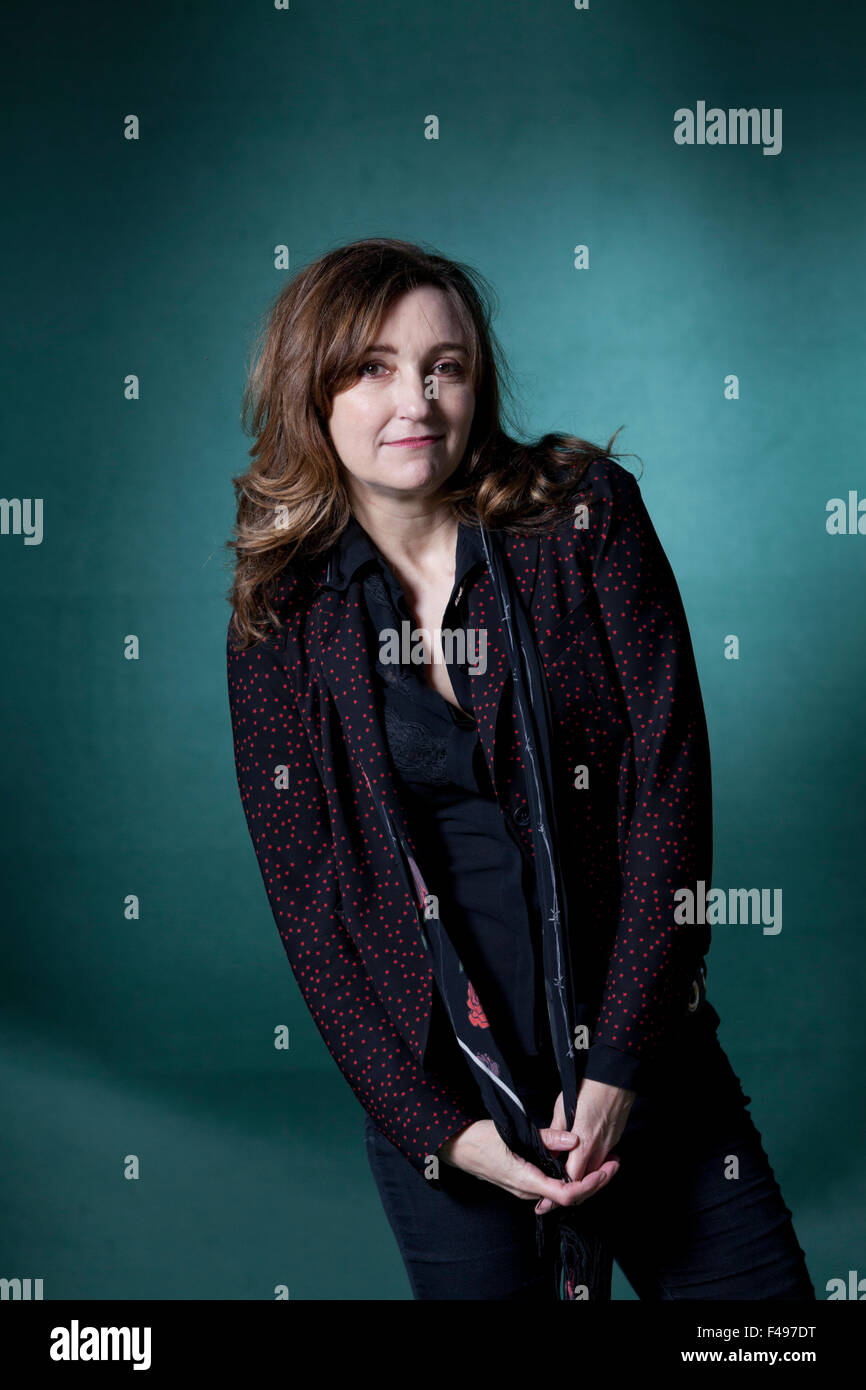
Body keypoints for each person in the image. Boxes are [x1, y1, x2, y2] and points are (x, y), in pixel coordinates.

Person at [226, 236, 815, 1301]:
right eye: (371, 367)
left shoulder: (580, 517)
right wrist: (441, 1134)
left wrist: (621, 1062)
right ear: (308, 387)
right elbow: (312, 914)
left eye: (442, 365)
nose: (415, 398)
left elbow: (669, 790)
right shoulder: (282, 616)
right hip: (448, 1104)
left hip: (644, 1065)